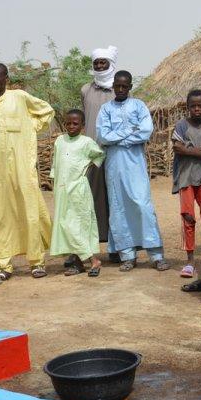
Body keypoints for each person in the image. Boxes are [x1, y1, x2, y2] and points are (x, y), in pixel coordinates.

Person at [0, 63, 55, 280]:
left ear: (6, 78)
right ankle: (4, 265)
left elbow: (47, 111)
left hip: (22, 164)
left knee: (29, 208)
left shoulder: (20, 97)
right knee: (0, 212)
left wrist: (31, 127)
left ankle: (37, 261)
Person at [96, 70, 168, 271]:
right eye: (117, 86)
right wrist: (129, 131)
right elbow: (102, 136)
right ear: (113, 87)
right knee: (119, 208)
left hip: (135, 164)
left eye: (124, 86)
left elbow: (145, 132)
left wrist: (118, 137)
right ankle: (127, 254)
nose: (120, 89)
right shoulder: (105, 109)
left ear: (129, 87)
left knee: (142, 205)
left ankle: (156, 254)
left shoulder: (139, 106)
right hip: (114, 166)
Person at [49, 109, 105, 277]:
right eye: (68, 123)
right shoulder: (60, 140)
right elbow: (55, 164)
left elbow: (99, 156)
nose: (71, 126)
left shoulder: (86, 142)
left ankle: (93, 260)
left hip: (78, 191)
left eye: (75, 124)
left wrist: (85, 171)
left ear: (83, 125)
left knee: (75, 225)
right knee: (64, 225)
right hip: (61, 189)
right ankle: (77, 262)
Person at [171, 89, 201, 279]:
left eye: (200, 106)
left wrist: (187, 148)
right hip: (186, 178)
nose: (197, 109)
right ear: (187, 108)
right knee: (188, 217)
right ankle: (189, 260)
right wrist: (199, 152)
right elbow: (177, 147)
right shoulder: (181, 125)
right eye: (193, 106)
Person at [81, 46, 117, 254]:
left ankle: (116, 247)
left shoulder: (118, 89)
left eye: (103, 62)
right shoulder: (86, 90)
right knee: (91, 201)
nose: (100, 66)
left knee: (115, 200)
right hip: (91, 154)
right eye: (97, 63)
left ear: (111, 64)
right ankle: (91, 246)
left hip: (114, 153)